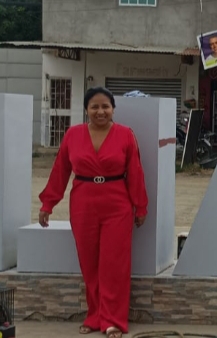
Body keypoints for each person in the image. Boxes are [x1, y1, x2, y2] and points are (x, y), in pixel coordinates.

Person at [38, 87, 148, 338]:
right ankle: (95, 315)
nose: (100, 111)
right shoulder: (73, 135)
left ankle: (112, 320)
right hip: (83, 204)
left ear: (113, 109)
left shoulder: (125, 135)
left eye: (105, 106)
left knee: (114, 265)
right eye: (95, 107)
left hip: (117, 204)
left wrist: (141, 206)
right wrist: (47, 204)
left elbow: (136, 172)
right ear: (86, 109)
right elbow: (60, 171)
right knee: (89, 264)